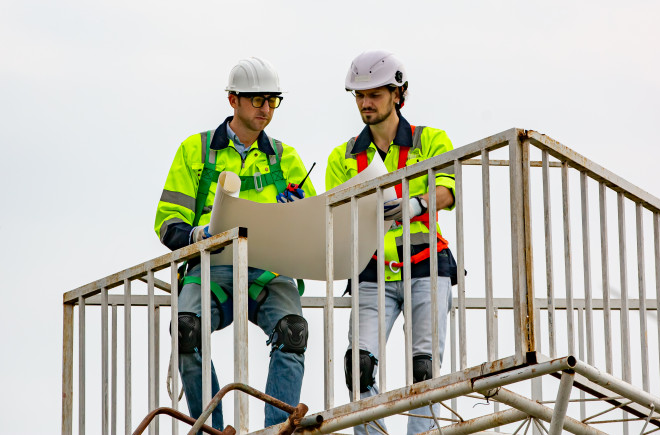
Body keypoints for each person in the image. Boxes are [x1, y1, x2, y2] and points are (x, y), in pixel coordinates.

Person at [154, 56, 317, 430]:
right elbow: (167, 223)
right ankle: (210, 427)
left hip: (270, 271)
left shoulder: (286, 157)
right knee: (185, 330)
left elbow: (311, 224)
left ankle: (279, 428)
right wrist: (200, 235)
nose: (266, 109)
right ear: (233, 100)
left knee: (293, 331)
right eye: (258, 100)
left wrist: (297, 212)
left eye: (273, 101)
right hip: (211, 268)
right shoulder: (194, 151)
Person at [325, 50, 457, 435]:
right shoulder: (343, 155)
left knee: (425, 369)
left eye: (375, 95)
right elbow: (334, 215)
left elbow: (448, 191)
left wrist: (416, 203)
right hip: (370, 271)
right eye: (359, 95)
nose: (365, 103)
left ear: (398, 95)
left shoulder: (430, 141)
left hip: (426, 263)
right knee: (358, 367)